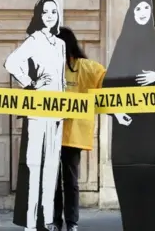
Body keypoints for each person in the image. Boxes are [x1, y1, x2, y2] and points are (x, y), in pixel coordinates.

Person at [102, 0, 155, 231]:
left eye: (146, 9)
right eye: (138, 9)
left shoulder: (154, 39)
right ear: (131, 12)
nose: (143, 13)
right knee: (131, 174)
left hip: (152, 123)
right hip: (128, 123)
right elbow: (108, 84)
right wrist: (115, 112)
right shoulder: (124, 41)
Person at [4, 0, 66, 230]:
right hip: (37, 108)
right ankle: (31, 222)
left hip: (57, 111)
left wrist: (65, 106)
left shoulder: (60, 44)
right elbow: (11, 62)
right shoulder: (34, 40)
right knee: (34, 166)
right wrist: (31, 82)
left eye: (54, 12)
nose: (50, 16)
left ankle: (48, 219)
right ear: (39, 16)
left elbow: (60, 79)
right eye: (46, 12)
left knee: (52, 166)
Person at [48, 27, 106, 231]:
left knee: (70, 182)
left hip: (72, 136)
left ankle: (71, 222)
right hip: (51, 134)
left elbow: (107, 81)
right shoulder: (48, 68)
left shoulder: (85, 67)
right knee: (53, 183)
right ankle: (55, 221)